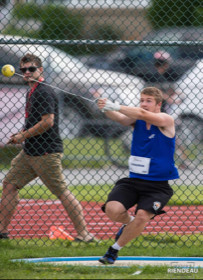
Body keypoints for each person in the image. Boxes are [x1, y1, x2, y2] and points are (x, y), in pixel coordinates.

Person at [0, 53, 96, 242]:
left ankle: (84, 234)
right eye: (23, 70)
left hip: (46, 152)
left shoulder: (44, 91)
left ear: (40, 70)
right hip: (30, 151)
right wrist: (22, 134)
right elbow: (35, 121)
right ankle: (2, 231)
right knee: (9, 186)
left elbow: (47, 122)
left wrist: (23, 135)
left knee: (61, 192)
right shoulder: (32, 90)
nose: (27, 72)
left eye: (31, 69)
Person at [97, 87, 179, 264]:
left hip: (158, 186)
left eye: (149, 100)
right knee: (113, 210)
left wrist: (116, 105)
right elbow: (120, 118)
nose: (144, 104)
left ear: (159, 104)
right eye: (142, 100)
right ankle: (130, 223)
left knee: (143, 215)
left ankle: (113, 250)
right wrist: (105, 107)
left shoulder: (165, 119)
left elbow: (141, 113)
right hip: (133, 181)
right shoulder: (137, 119)